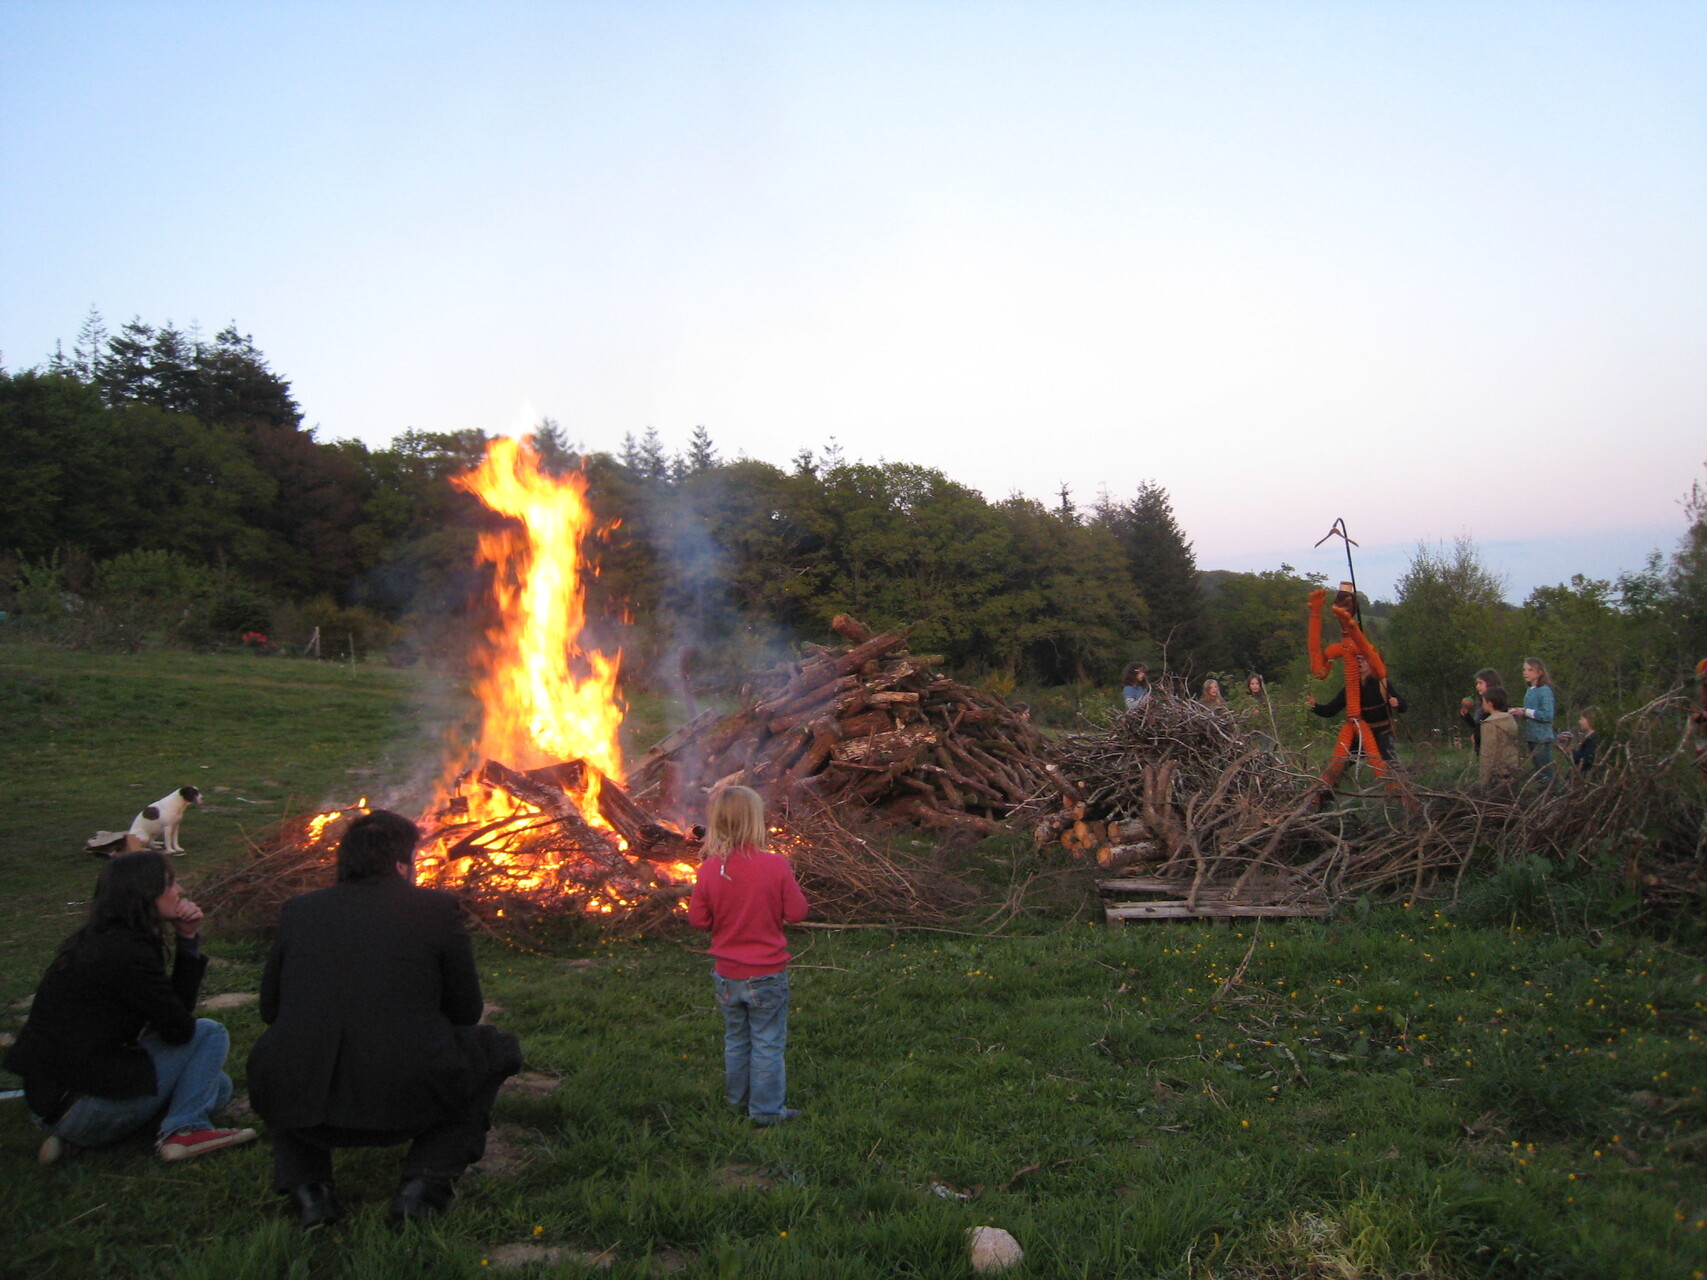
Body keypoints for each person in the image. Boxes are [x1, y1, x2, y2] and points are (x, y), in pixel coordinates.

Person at [248, 809, 522, 1228]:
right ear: (400, 864)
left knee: (284, 1053)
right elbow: (466, 1013)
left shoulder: (299, 910)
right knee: (496, 1049)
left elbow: (270, 1010)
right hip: (406, 1101)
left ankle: (309, 1190)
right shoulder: (434, 908)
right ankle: (424, 1187)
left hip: (300, 1103)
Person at [4, 852, 255, 1166]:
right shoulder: (128, 954)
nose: (179, 890)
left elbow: (172, 1015)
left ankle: (75, 1141)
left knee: (218, 1086)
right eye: (171, 883)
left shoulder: (96, 940)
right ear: (145, 893)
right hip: (81, 1105)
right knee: (209, 1033)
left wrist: (187, 937)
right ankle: (184, 1130)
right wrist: (187, 940)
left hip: (49, 1105)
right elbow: (181, 1031)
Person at [687, 785, 809, 1127]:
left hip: (727, 975)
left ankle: (736, 1100)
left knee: (736, 1039)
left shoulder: (709, 869)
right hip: (766, 973)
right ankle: (766, 1111)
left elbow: (699, 920)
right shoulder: (775, 865)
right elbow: (797, 913)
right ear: (756, 821)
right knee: (767, 1043)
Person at [1305, 585, 1407, 798]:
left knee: (1391, 769)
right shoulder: (1351, 686)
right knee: (1337, 768)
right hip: (1356, 731)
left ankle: (1405, 799)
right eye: (1359, 660)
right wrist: (1314, 706)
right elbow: (1331, 709)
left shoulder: (1381, 683)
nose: (1360, 663)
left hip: (1381, 733)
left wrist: (1397, 703)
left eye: (1363, 660)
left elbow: (1403, 705)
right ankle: (1322, 799)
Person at [1510, 657, 1557, 782]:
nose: (1525, 673)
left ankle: (1551, 790)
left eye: (1530, 670)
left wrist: (1525, 712)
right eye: (1524, 669)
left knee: (1545, 771)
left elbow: (1547, 715)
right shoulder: (1530, 690)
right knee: (1538, 771)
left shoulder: (1544, 690)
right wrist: (1520, 711)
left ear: (1539, 672)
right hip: (1532, 737)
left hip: (1541, 738)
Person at [1477, 687, 1522, 789]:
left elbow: (1488, 753)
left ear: (1490, 703)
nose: (1482, 704)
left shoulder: (1490, 724)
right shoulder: (1511, 719)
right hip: (1512, 769)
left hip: (1497, 774)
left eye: (1483, 701)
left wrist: (1483, 781)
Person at [1458, 668, 1504, 756]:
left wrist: (1477, 737)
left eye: (1480, 683)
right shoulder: (1481, 704)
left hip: (1492, 751)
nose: (1477, 686)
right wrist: (1467, 716)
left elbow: (1490, 729)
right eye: (1477, 683)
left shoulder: (1497, 705)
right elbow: (1477, 726)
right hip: (1481, 750)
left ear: (1490, 683)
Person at [1571, 709, 1600, 773]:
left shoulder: (1593, 740)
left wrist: (1571, 752)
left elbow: (1586, 759)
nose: (1579, 722)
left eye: (1582, 719)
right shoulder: (1589, 738)